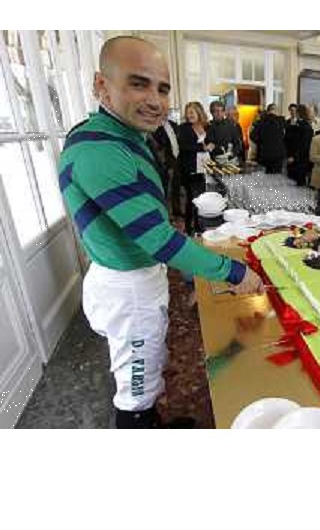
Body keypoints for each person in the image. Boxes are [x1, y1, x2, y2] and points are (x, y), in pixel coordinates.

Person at [58, 36, 263, 429]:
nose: (155, 99)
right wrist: (235, 273)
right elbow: (157, 239)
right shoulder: (99, 148)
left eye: (162, 87)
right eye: (138, 83)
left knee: (149, 364)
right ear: (101, 85)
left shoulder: (121, 135)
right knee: (136, 386)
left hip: (135, 278)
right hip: (128, 286)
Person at [178, 101, 211, 235]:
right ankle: (190, 227)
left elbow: (209, 143)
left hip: (203, 168)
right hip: (189, 168)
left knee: (202, 197)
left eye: (192, 112)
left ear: (199, 112)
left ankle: (198, 225)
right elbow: (184, 147)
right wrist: (202, 148)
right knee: (193, 198)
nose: (189, 115)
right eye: (188, 112)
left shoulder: (205, 127)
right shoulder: (183, 128)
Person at [153, 116, 183, 216]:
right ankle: (164, 213)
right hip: (164, 161)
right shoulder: (155, 125)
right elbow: (158, 143)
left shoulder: (173, 124)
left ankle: (177, 210)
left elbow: (178, 140)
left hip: (177, 158)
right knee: (165, 188)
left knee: (176, 186)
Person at [250, 103, 286, 173]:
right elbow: (284, 136)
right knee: (276, 178)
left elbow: (252, 136)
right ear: (275, 110)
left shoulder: (261, 122)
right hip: (278, 156)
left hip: (264, 155)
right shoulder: (281, 122)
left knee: (265, 179)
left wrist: (261, 142)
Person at [285, 103, 313, 186]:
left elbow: (304, 146)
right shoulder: (304, 126)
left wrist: (294, 157)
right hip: (297, 160)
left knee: (296, 185)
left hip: (299, 161)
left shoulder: (303, 127)